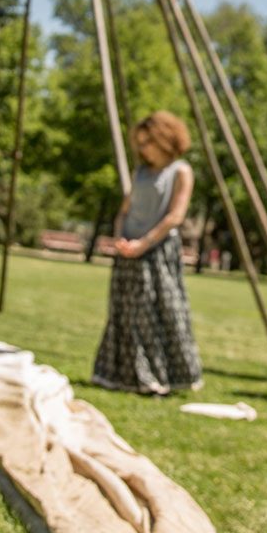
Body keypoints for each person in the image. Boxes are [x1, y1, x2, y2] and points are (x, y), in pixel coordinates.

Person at [92, 111, 203, 395]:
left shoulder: (180, 171)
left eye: (147, 142)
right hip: (128, 249)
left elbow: (175, 216)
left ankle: (161, 375)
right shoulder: (139, 172)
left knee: (158, 312)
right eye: (139, 143)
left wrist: (144, 243)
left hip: (157, 251)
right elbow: (125, 210)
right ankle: (122, 374)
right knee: (125, 314)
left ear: (164, 140)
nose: (142, 149)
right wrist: (120, 239)